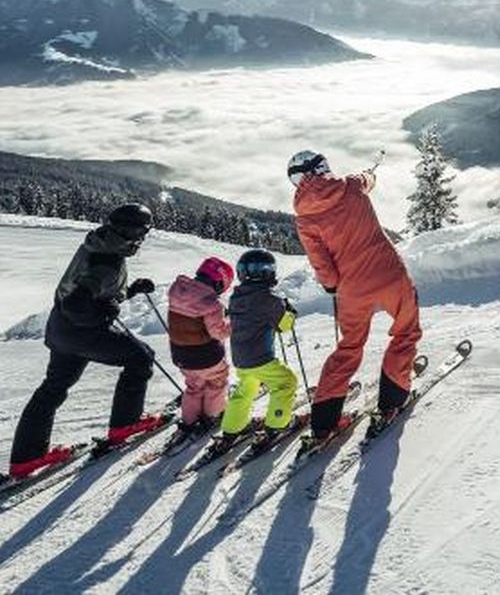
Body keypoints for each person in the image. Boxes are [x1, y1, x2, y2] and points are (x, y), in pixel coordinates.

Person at [7, 203, 164, 479]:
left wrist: (127, 292)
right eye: (143, 231)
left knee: (53, 388)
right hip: (82, 332)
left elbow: (90, 291)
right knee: (141, 357)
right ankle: (124, 426)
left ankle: (26, 457)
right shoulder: (108, 260)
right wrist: (103, 311)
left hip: (60, 330)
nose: (143, 237)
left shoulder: (99, 244)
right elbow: (80, 304)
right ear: (134, 231)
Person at [289, 150, 423, 438]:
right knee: (406, 332)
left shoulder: (304, 219)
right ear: (322, 167)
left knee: (349, 347)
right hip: (390, 274)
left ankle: (324, 422)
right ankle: (392, 400)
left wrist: (332, 285)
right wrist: (370, 174)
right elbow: (367, 179)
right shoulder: (351, 185)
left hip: (351, 289)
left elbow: (321, 264)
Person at [212, 249, 299, 448]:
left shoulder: (236, 296)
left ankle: (233, 428)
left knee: (246, 388)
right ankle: (277, 426)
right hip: (261, 358)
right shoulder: (268, 298)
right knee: (286, 383)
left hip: (241, 358)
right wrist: (290, 313)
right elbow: (284, 325)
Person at [167, 256, 234, 432]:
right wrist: (231, 322)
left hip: (180, 354)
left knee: (194, 385)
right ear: (220, 283)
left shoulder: (177, 292)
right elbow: (218, 332)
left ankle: (189, 420)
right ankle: (213, 415)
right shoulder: (211, 304)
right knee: (216, 382)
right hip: (206, 356)